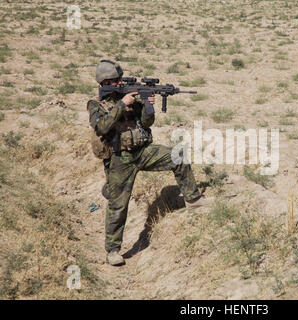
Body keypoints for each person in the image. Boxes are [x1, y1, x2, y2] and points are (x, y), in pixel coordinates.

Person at [87, 59, 212, 266]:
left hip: (142, 151)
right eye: (116, 81)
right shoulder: (96, 104)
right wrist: (121, 105)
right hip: (120, 159)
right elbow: (101, 127)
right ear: (106, 81)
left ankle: (193, 199)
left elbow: (146, 123)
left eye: (120, 80)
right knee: (119, 206)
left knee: (178, 156)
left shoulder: (131, 98)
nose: (119, 83)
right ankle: (113, 251)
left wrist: (146, 106)